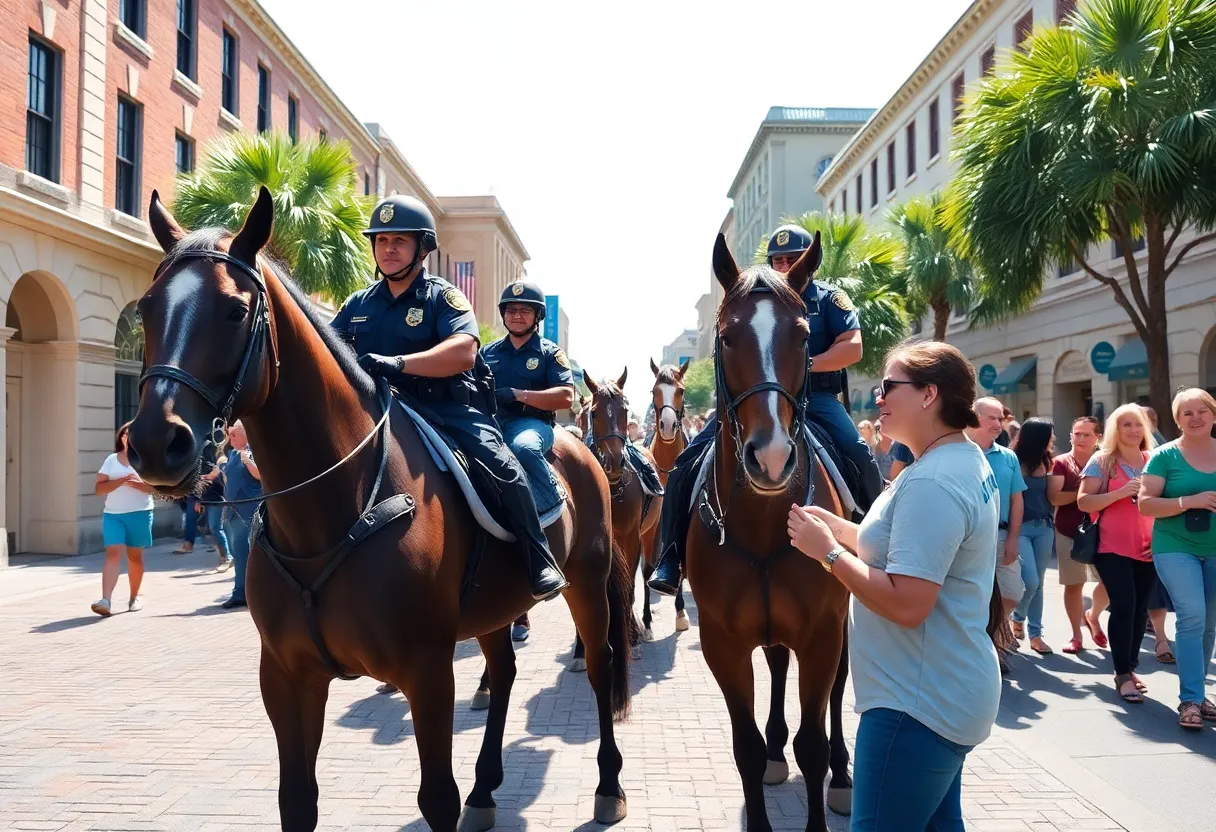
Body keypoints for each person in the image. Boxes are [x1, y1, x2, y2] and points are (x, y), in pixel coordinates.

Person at [787, 341, 999, 830]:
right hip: (942, 694)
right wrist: (839, 529)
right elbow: (903, 546)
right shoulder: (956, 460)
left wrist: (828, 553)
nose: (878, 398)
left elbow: (908, 604)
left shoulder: (932, 481)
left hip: (917, 709)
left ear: (928, 395)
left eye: (889, 387)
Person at [331, 194, 566, 601]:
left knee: (503, 464)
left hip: (445, 409)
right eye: (381, 240)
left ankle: (538, 556)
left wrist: (398, 363)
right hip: (377, 409)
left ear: (422, 248)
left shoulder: (443, 297)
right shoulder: (358, 304)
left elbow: (463, 351)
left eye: (399, 241)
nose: (388, 249)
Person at [649, 224, 883, 595]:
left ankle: (877, 548)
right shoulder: (754, 301)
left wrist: (800, 364)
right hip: (754, 401)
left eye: (793, 259)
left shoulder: (829, 299)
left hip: (816, 399)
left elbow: (853, 347)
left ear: (808, 264)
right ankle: (670, 556)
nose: (785, 264)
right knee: (684, 464)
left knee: (859, 454)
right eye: (778, 260)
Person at [1138, 388, 1216, 728]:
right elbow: (1145, 503)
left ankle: (1198, 695)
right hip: (1175, 546)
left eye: (1202, 411)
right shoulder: (1164, 456)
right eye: (1187, 413)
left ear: (1214, 415)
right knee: (1192, 616)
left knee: (1209, 623)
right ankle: (1189, 700)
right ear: (1176, 419)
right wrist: (1189, 501)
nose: (1195, 417)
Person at [1077, 404, 1156, 705]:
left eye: (1137, 424)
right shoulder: (1103, 461)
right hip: (1111, 547)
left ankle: (1131, 667)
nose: (1133, 430)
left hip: (1149, 547)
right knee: (1124, 606)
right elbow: (1084, 502)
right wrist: (1120, 493)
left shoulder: (1155, 459)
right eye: (1126, 424)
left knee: (1139, 610)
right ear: (1115, 429)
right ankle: (1121, 673)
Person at [481, 280, 575, 521]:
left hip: (532, 424)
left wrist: (517, 394)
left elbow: (566, 396)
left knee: (524, 449)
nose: (517, 316)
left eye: (525, 311)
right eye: (511, 310)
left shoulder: (550, 353)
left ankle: (549, 504)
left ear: (538, 316)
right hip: (491, 422)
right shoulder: (487, 353)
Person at [1048, 416, 1110, 654]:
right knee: (1074, 584)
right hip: (1068, 530)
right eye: (1076, 433)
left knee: (1111, 582)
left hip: (1103, 529)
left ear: (1098, 438)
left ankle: (1093, 615)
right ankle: (1076, 635)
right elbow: (1055, 498)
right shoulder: (1061, 462)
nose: (1080, 438)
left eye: (1086, 434)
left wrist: (1086, 495)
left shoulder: (1106, 462)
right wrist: (1086, 494)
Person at [965, 398, 1027, 622]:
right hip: (967, 537)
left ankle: (994, 629)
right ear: (974, 417)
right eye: (991, 418)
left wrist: (1013, 538)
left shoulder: (1008, 456)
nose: (998, 424)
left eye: (1000, 419)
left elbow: (1017, 500)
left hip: (1000, 536)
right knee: (970, 595)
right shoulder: (958, 452)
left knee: (1013, 592)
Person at [91, 423, 156, 616]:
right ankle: (106, 600)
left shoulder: (148, 459)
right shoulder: (112, 460)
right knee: (113, 553)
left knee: (134, 557)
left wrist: (139, 484)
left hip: (140, 513)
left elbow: (155, 488)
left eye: (133, 434)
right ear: (121, 437)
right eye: (126, 434)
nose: (129, 437)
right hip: (113, 515)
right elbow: (98, 489)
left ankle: (134, 597)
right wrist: (119, 481)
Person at [1009, 418, 1058, 655]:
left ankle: (1036, 633)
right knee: (1030, 581)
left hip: (1045, 527)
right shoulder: (1013, 461)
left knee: (1038, 582)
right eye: (1050, 434)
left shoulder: (1048, 461)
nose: (1054, 438)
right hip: (1020, 528)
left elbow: (1052, 497)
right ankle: (1016, 616)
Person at [219, 421, 262, 609]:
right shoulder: (232, 454)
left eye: (234, 434)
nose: (230, 439)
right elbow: (228, 480)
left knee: (249, 553)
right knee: (238, 553)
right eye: (229, 434)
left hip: (250, 510)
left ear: (246, 435)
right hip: (233, 511)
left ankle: (246, 593)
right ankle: (241, 591)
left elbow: (260, 475)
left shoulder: (254, 451)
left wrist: (248, 461)